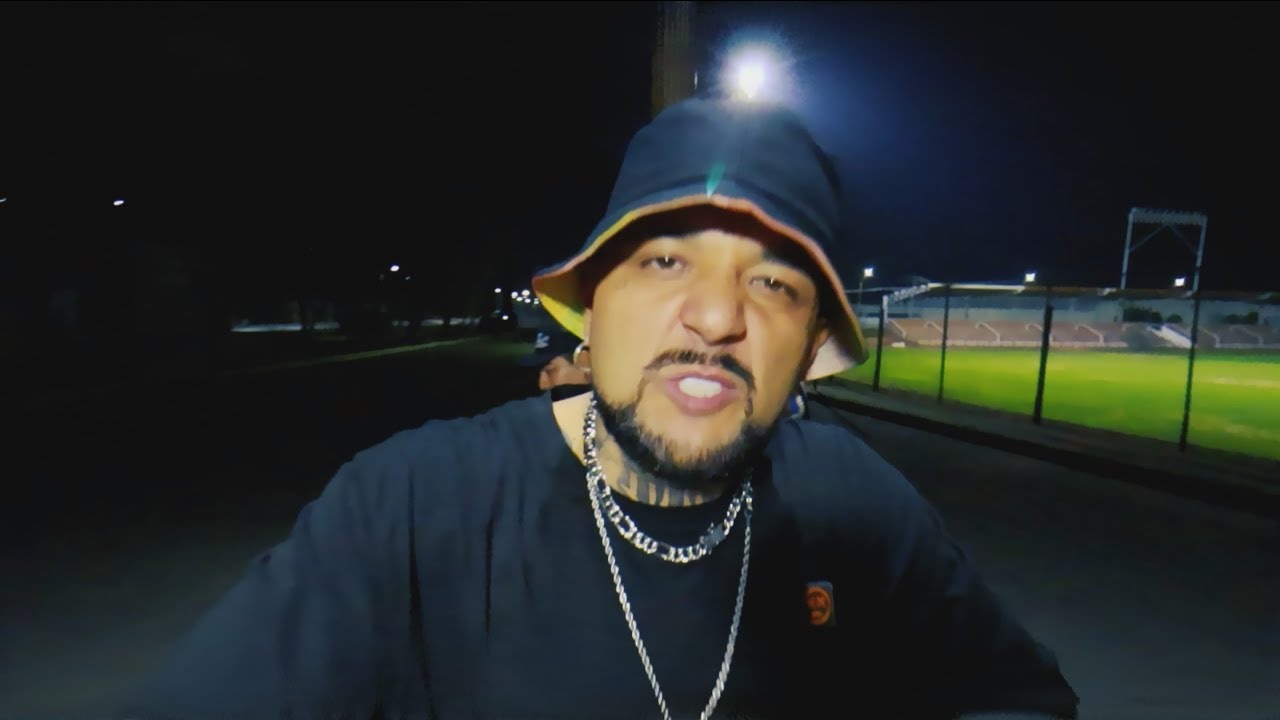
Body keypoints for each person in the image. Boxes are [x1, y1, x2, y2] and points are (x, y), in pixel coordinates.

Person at [121, 98, 1078, 720]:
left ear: (808, 349)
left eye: (775, 284)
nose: (717, 317)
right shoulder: (413, 504)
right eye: (664, 260)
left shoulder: (855, 505)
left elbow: (1017, 696)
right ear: (594, 307)